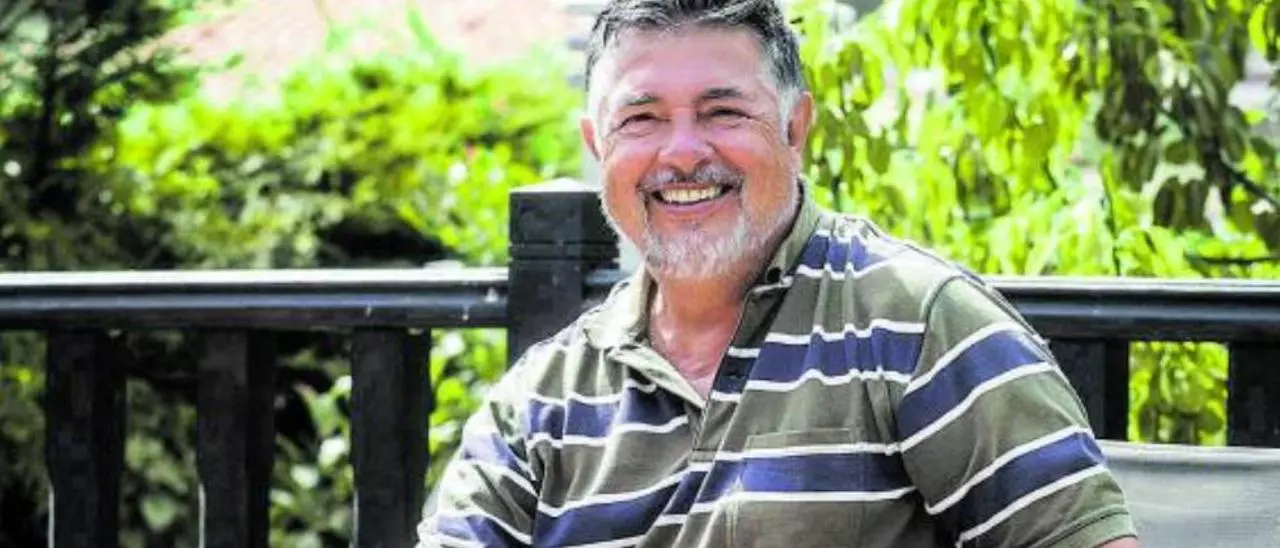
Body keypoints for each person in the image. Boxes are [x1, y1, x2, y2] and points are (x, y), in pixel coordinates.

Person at [417, 1, 1140, 546]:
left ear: (796, 129)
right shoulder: (543, 398)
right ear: (597, 144)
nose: (683, 152)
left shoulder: (920, 326)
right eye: (641, 120)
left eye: (723, 111)